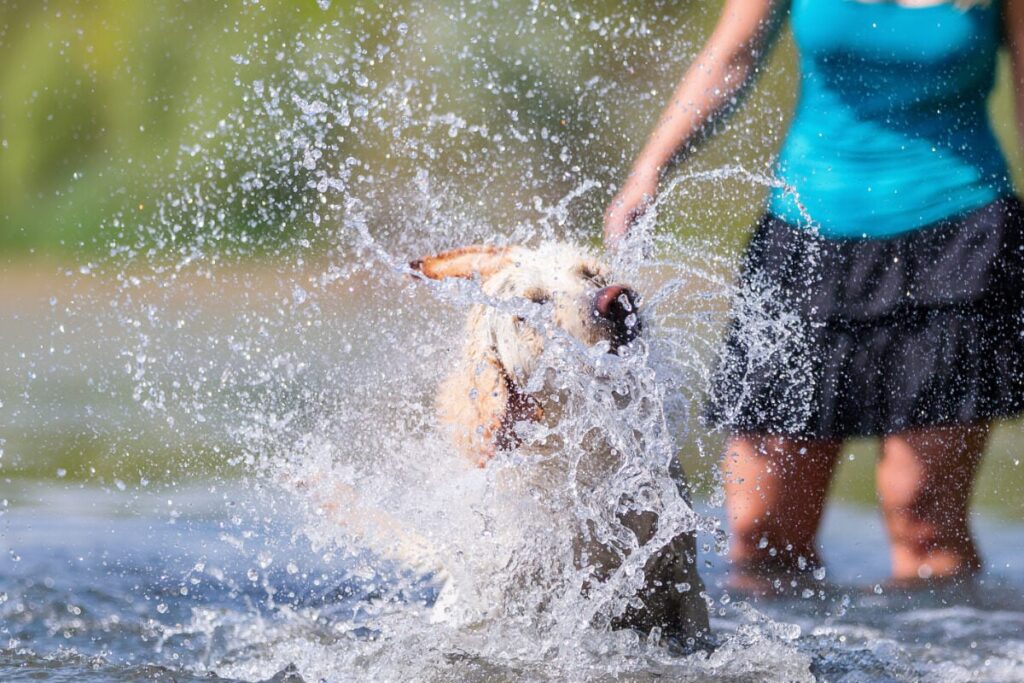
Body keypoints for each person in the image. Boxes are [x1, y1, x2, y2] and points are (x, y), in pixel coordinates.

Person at [605, 0, 1024, 591]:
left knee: (924, 523)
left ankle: (940, 662)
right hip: (804, 240)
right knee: (759, 533)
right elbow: (729, 59)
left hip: (957, 242)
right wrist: (648, 172)